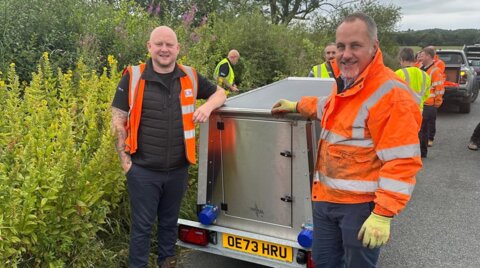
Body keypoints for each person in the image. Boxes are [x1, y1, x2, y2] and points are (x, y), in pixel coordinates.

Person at [271, 13, 422, 267]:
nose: (345, 54)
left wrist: (383, 214)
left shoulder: (391, 94)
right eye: (340, 47)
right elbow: (329, 108)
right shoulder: (346, 83)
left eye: (355, 46)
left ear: (374, 47)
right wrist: (297, 105)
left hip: (360, 209)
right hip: (325, 200)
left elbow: (402, 161)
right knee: (324, 262)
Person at [111, 26, 226, 268]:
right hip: (142, 170)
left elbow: (220, 93)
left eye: (169, 45)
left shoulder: (190, 77)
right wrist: (126, 164)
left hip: (177, 169)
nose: (164, 49)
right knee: (142, 228)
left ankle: (167, 263)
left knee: (169, 223)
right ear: (149, 47)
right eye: (159, 44)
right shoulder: (133, 77)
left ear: (177, 48)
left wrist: (206, 107)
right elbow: (118, 119)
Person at [421, 46, 445, 153]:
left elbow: (439, 88)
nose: (421, 56)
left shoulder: (435, 71)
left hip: (430, 104)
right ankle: (422, 148)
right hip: (420, 104)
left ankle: (426, 145)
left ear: (429, 56)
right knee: (421, 128)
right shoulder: (420, 68)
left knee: (426, 127)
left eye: (423, 54)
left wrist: (437, 103)